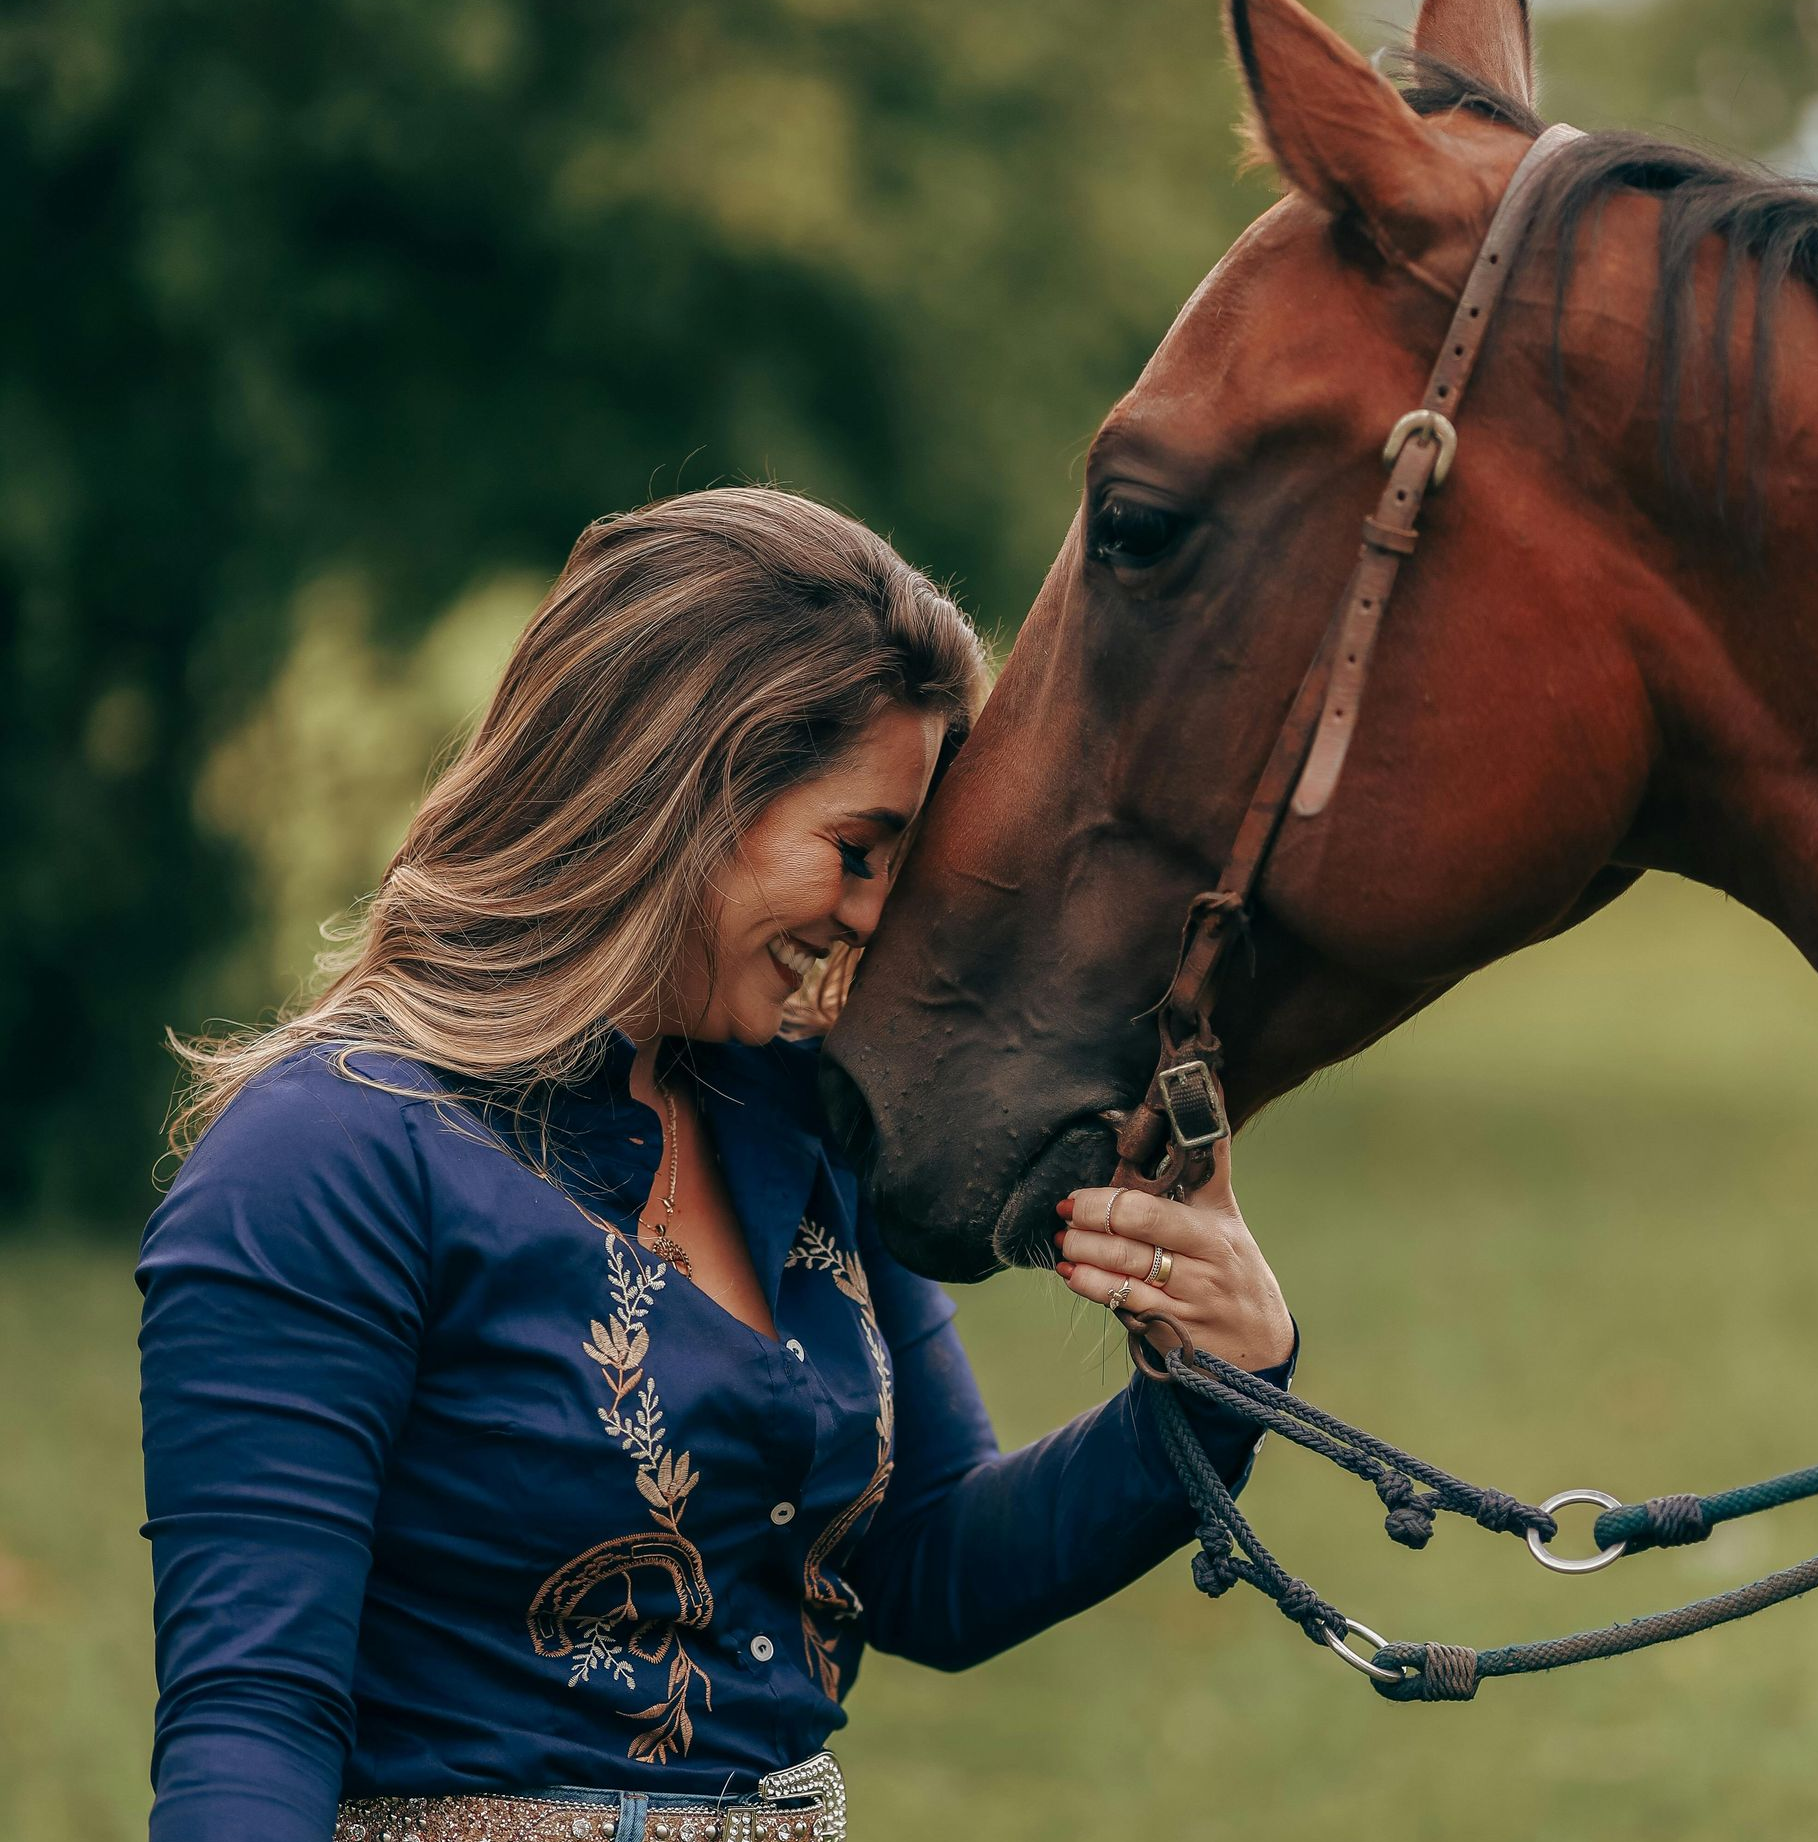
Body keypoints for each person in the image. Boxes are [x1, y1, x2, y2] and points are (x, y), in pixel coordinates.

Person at [139, 488, 1299, 1842]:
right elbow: (252, 1717)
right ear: (685, 786)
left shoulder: (794, 1113)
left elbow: (930, 1563)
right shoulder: (326, 1156)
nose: (875, 917)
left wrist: (1214, 1379)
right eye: (859, 851)